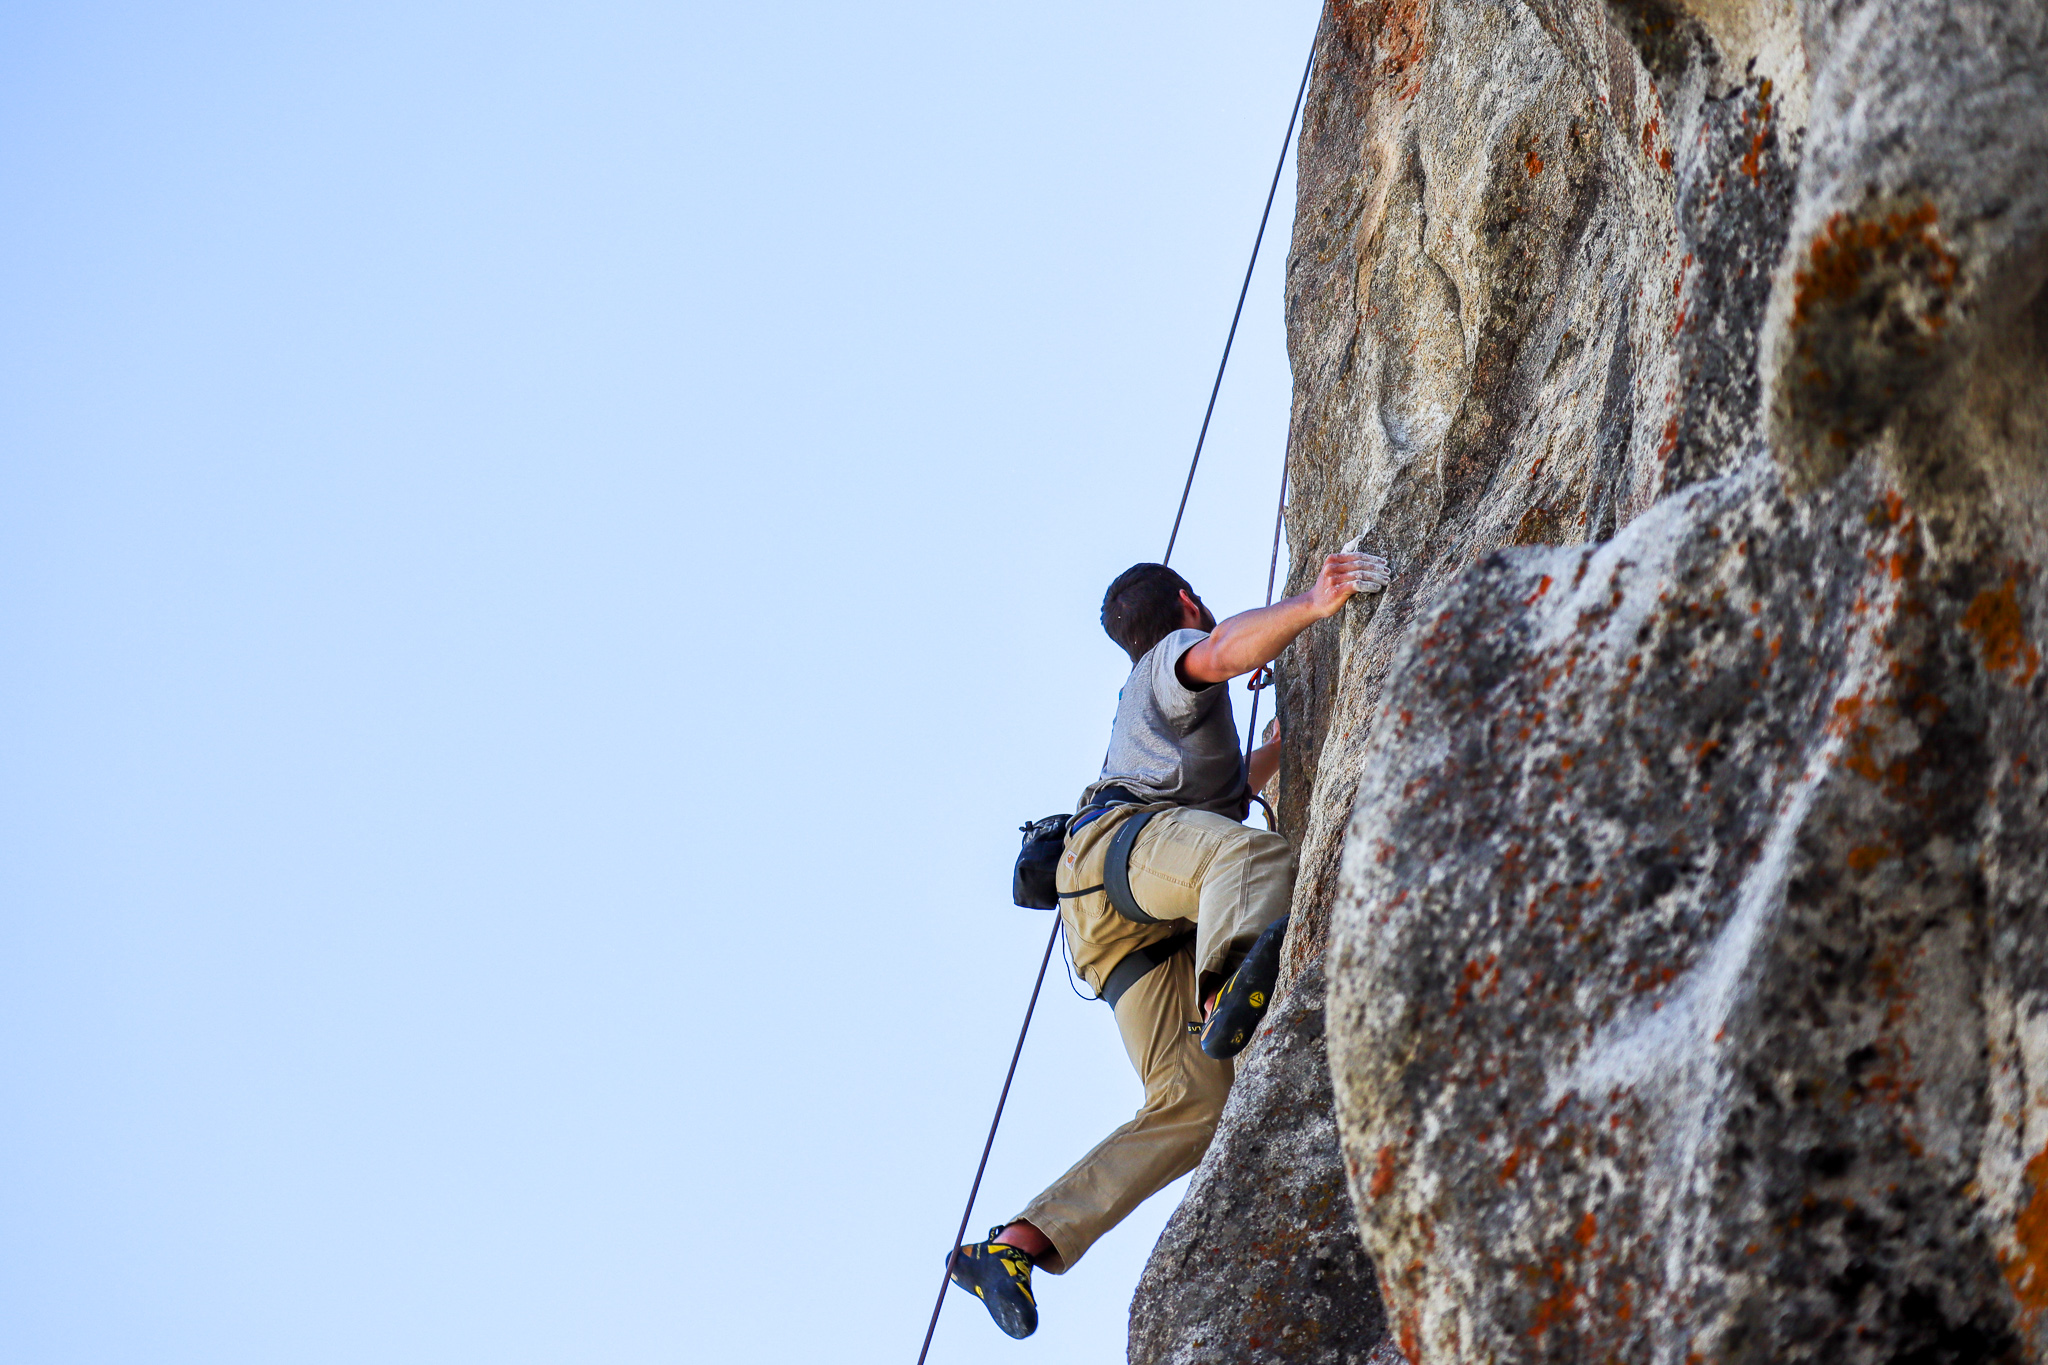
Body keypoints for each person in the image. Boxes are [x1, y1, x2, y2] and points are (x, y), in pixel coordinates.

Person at [946, 549, 1392, 1339]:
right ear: (1188, 600)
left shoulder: (1156, 721)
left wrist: (1281, 748)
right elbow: (1222, 652)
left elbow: (1219, 782)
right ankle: (1227, 990)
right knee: (1248, 855)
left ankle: (1015, 1243)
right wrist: (1313, 605)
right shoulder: (1165, 662)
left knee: (1195, 1107)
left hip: (1113, 931)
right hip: (1122, 855)